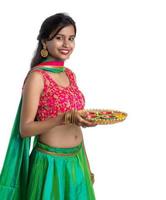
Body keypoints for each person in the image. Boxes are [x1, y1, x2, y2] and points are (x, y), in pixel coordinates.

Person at [0, 13, 97, 200]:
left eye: (71, 38)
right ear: (45, 42)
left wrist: (87, 165)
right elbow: (25, 129)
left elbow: (75, 126)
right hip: (50, 165)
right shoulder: (37, 77)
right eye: (59, 38)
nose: (66, 44)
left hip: (77, 162)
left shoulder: (69, 74)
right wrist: (62, 118)